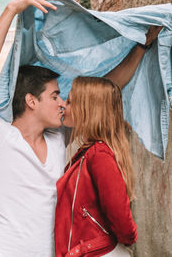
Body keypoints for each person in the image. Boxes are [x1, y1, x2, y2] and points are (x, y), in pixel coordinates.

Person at [0, 0, 161, 255]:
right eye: (55, 96)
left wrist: (141, 48)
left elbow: (106, 90)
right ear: (31, 101)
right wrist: (12, 10)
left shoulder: (58, 137)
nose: (62, 103)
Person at [55, 77, 137, 257]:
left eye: (69, 101)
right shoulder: (89, 152)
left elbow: (122, 220)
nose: (63, 105)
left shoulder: (98, 155)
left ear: (86, 109)